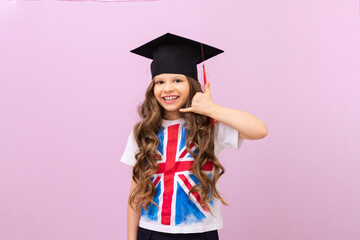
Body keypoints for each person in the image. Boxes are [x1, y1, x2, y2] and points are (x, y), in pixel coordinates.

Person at [120, 32, 268, 240]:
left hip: (200, 233)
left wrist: (212, 109)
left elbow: (259, 130)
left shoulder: (209, 127)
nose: (168, 88)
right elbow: (135, 194)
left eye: (178, 80)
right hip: (152, 232)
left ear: (192, 84)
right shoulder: (143, 133)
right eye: (160, 82)